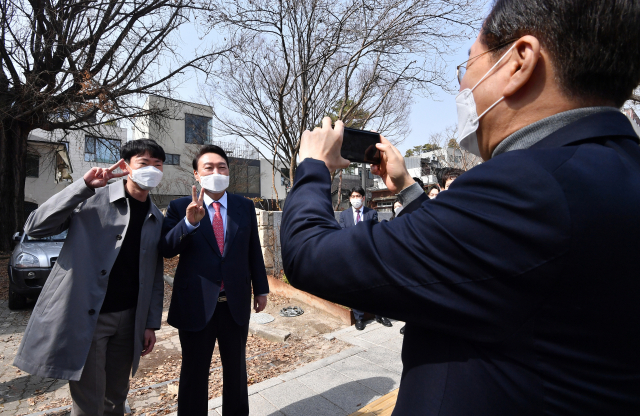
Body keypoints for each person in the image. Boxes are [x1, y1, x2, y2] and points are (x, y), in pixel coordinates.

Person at [280, 0, 640, 414]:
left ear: (519, 62)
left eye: (466, 65)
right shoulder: (613, 169)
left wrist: (313, 167)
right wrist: (407, 189)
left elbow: (310, 254)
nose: (462, 87)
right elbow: (468, 260)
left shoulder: (528, 186)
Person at [14, 140, 167, 416]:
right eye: (144, 163)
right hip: (89, 317)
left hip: (130, 319)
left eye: (158, 165)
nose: (152, 170)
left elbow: (155, 274)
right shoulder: (91, 199)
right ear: (126, 166)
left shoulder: (156, 216)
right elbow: (35, 226)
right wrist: (83, 186)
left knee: (116, 397)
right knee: (89, 401)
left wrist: (150, 323)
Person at [161, 145, 269, 416]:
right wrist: (189, 224)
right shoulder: (178, 207)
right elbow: (166, 249)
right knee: (194, 372)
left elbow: (253, 250)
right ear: (197, 174)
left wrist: (261, 289)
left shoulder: (244, 206)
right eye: (208, 168)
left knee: (236, 370)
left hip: (235, 302)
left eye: (222, 167)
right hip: (195, 302)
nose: (216, 172)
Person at [339, 187, 392, 330]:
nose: (355, 199)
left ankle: (380, 314)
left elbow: (374, 232)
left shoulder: (371, 213)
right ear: (350, 198)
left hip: (369, 254)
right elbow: (342, 233)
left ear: (363, 198)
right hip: (352, 255)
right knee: (356, 287)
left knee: (376, 285)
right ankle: (359, 318)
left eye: (358, 196)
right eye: (353, 196)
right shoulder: (344, 215)